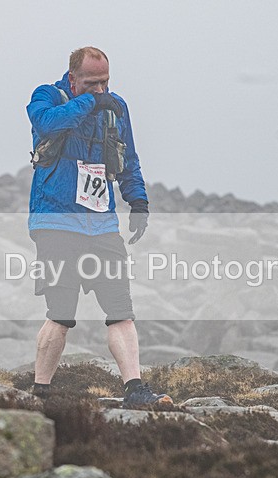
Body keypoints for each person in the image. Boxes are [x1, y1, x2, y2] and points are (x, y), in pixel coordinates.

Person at [25, 46, 172, 408]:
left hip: (101, 223)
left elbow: (128, 158)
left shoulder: (114, 106)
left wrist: (138, 201)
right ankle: (40, 391)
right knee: (60, 312)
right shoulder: (47, 96)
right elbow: (46, 123)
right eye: (92, 83)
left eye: (105, 82)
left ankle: (135, 389)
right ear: (73, 78)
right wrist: (90, 103)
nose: (101, 90)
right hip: (55, 220)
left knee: (120, 308)